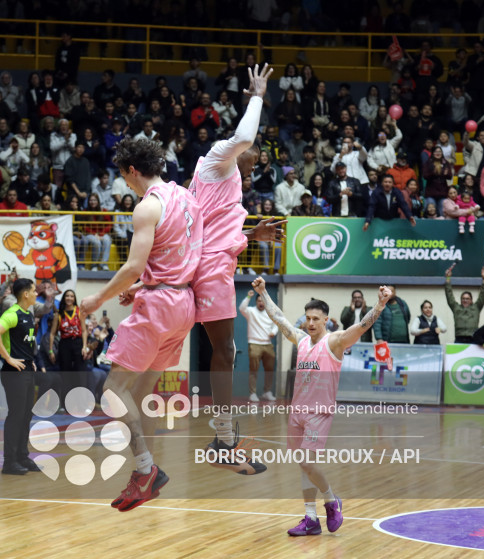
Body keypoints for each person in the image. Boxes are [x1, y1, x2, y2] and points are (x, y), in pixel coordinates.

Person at [77, 135, 205, 511]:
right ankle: (145, 471)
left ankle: (146, 469)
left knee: (113, 391)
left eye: (124, 176)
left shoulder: (147, 207)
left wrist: (97, 299)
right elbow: (184, 252)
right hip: (184, 304)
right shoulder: (187, 198)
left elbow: (133, 265)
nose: (126, 183)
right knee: (140, 394)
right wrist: (147, 284)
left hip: (160, 304)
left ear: (132, 171)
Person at [184, 63, 282, 476]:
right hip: (208, 267)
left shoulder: (228, 182)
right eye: (251, 158)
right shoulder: (218, 158)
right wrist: (257, 95)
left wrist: (251, 233)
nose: (252, 162)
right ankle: (223, 440)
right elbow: (243, 136)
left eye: (255, 161)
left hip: (211, 262)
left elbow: (212, 222)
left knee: (224, 350)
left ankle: (223, 439)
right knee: (224, 351)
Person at [253, 276, 391, 537]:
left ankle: (331, 500)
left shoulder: (336, 341)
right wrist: (264, 292)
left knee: (307, 462)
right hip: (297, 413)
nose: (311, 323)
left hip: (320, 413)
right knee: (304, 465)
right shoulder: (302, 340)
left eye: (316, 319)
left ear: (326, 320)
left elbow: (361, 327)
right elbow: (279, 319)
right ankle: (310, 518)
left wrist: (380, 305)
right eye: (308, 318)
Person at [0, 278, 55, 476]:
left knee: (27, 415)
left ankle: (22, 456)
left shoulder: (29, 313)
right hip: (14, 374)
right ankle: (9, 462)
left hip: (27, 370)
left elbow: (22, 343)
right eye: (34, 291)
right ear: (25, 294)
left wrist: (30, 360)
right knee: (16, 416)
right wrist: (8, 358)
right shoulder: (13, 313)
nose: (37, 294)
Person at [47, 289, 89, 406]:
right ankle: (66, 404)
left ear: (74, 299)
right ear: (64, 298)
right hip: (64, 344)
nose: (69, 298)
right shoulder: (59, 315)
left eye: (71, 296)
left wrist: (84, 347)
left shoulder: (79, 312)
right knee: (65, 374)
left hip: (78, 343)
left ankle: (82, 404)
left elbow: (84, 331)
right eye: (67, 296)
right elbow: (52, 333)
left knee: (80, 374)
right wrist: (51, 350)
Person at [239, 290, 278, 402]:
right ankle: (252, 393)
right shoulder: (250, 311)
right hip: (254, 344)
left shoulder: (271, 313)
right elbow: (241, 308)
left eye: (263, 301)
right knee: (253, 370)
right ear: (256, 302)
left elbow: (276, 325)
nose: (261, 302)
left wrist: (273, 332)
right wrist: (248, 296)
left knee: (270, 370)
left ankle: (267, 392)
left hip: (268, 345)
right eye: (259, 300)